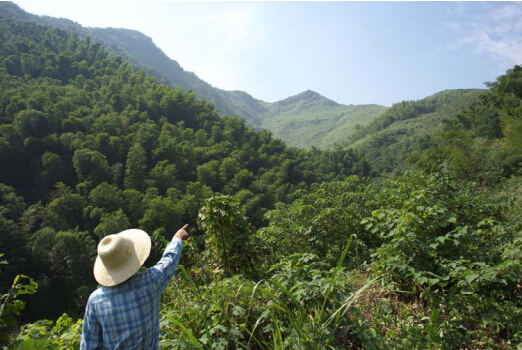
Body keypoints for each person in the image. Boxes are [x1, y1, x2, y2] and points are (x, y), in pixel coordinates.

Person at [80, 224, 190, 350]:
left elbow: (89, 346)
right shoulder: (150, 282)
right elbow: (168, 261)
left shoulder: (96, 301)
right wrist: (177, 239)